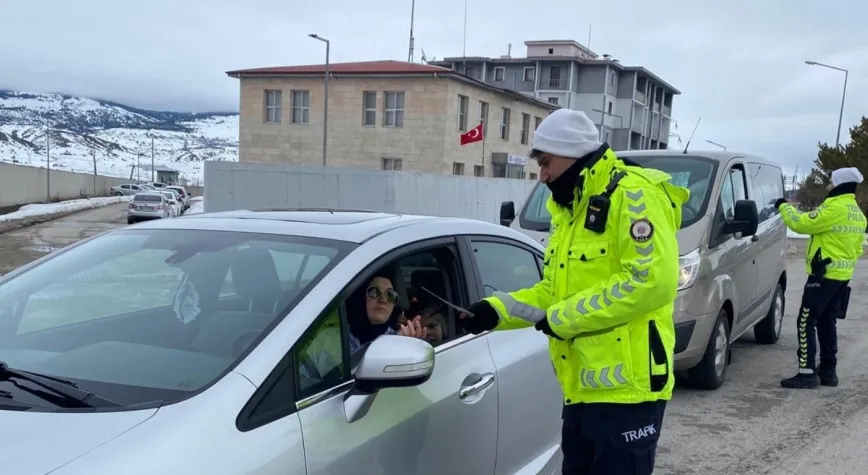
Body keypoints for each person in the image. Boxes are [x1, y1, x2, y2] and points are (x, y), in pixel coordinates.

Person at [457, 108, 688, 475]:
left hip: (629, 393)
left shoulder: (635, 195)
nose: (542, 175)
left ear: (573, 154)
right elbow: (553, 291)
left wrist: (563, 320)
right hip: (580, 387)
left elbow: (651, 281)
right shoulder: (569, 210)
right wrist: (494, 310)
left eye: (546, 163)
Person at [776, 167, 866, 389]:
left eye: (832, 181)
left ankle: (807, 373)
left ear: (840, 184)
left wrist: (783, 206)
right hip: (841, 277)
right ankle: (828, 371)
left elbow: (801, 224)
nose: (828, 185)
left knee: (806, 321)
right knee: (827, 320)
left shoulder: (834, 208)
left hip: (823, 274)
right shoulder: (857, 213)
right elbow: (857, 249)